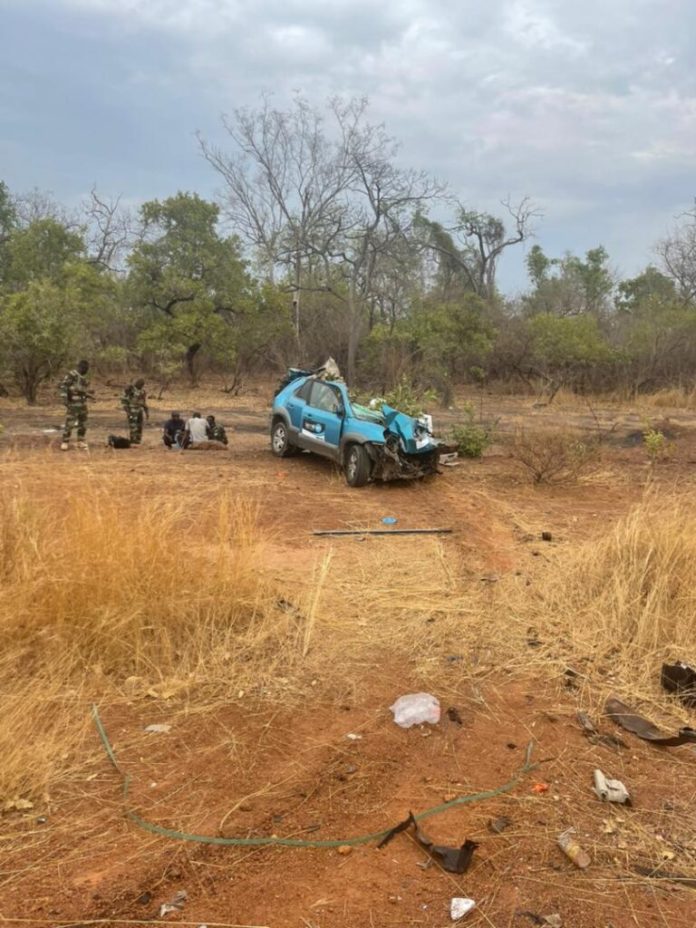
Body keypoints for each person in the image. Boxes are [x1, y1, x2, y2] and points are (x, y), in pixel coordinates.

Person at [59, 360, 93, 451]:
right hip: (73, 403)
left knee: (83, 423)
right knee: (70, 423)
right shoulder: (72, 375)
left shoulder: (83, 378)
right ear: (81, 367)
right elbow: (64, 386)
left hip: (82, 403)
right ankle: (65, 442)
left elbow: (81, 390)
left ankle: (80, 441)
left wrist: (88, 395)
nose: (87, 370)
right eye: (86, 369)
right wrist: (64, 399)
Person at [120, 378, 149, 444]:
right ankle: (133, 440)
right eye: (140, 384)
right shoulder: (130, 390)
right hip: (132, 410)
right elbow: (124, 401)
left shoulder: (143, 391)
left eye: (142, 384)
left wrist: (146, 411)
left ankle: (138, 440)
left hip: (139, 410)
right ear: (136, 383)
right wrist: (127, 411)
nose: (141, 385)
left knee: (139, 425)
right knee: (133, 426)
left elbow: (144, 402)